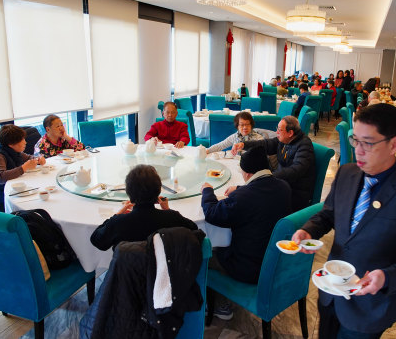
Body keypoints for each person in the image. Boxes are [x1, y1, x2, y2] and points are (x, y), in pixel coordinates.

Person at [291, 103, 396, 338]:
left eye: (368, 143)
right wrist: (308, 231)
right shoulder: (347, 173)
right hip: (330, 293)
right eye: (355, 140)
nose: (358, 150)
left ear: (394, 144)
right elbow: (328, 213)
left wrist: (387, 277)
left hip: (368, 307)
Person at [201, 146, 291, 285]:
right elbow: (261, 192)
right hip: (276, 260)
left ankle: (219, 300)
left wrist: (207, 191)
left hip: (247, 267)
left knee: (203, 254)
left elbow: (212, 214)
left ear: (247, 173)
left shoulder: (242, 198)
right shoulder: (284, 187)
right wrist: (239, 188)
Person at [90, 164, 197, 251]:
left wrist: (117, 215)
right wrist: (167, 210)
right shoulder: (171, 217)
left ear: (129, 193)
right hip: (164, 272)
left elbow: (97, 241)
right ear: (158, 191)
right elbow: (194, 229)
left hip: (129, 274)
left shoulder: (119, 222)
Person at [231, 116, 314, 213]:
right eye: (277, 129)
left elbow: (295, 171)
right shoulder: (284, 140)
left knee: (255, 197)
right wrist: (244, 145)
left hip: (295, 192)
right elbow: (266, 144)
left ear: (290, 133)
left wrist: (268, 177)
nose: (277, 132)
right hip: (282, 183)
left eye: (280, 130)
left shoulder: (304, 145)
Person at [0, 124, 46, 212]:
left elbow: (28, 157)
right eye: (21, 140)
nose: (25, 142)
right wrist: (23, 168)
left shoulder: (11, 150)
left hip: (14, 190)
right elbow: (0, 177)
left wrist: (38, 160)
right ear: (10, 144)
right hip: (1, 197)